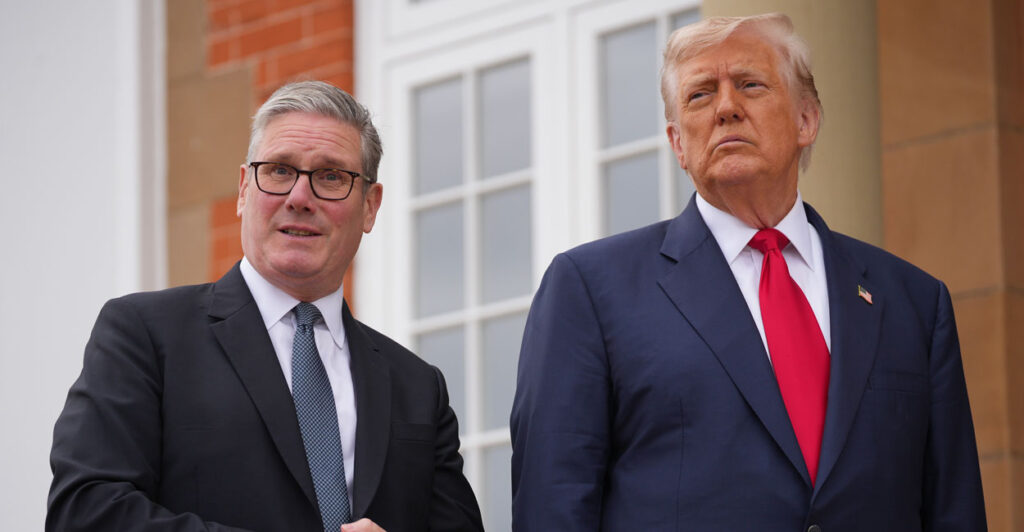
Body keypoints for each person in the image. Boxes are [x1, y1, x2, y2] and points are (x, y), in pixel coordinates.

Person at [510, 13, 986, 531]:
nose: (727, 108)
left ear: (807, 120)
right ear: (677, 143)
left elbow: (953, 510)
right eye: (699, 96)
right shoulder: (590, 290)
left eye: (750, 85)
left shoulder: (914, 301)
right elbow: (552, 509)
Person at [48, 81, 484, 532]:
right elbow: (86, 512)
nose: (299, 197)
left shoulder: (417, 388)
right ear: (243, 190)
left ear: (370, 207)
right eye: (278, 170)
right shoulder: (145, 335)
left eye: (331, 176)